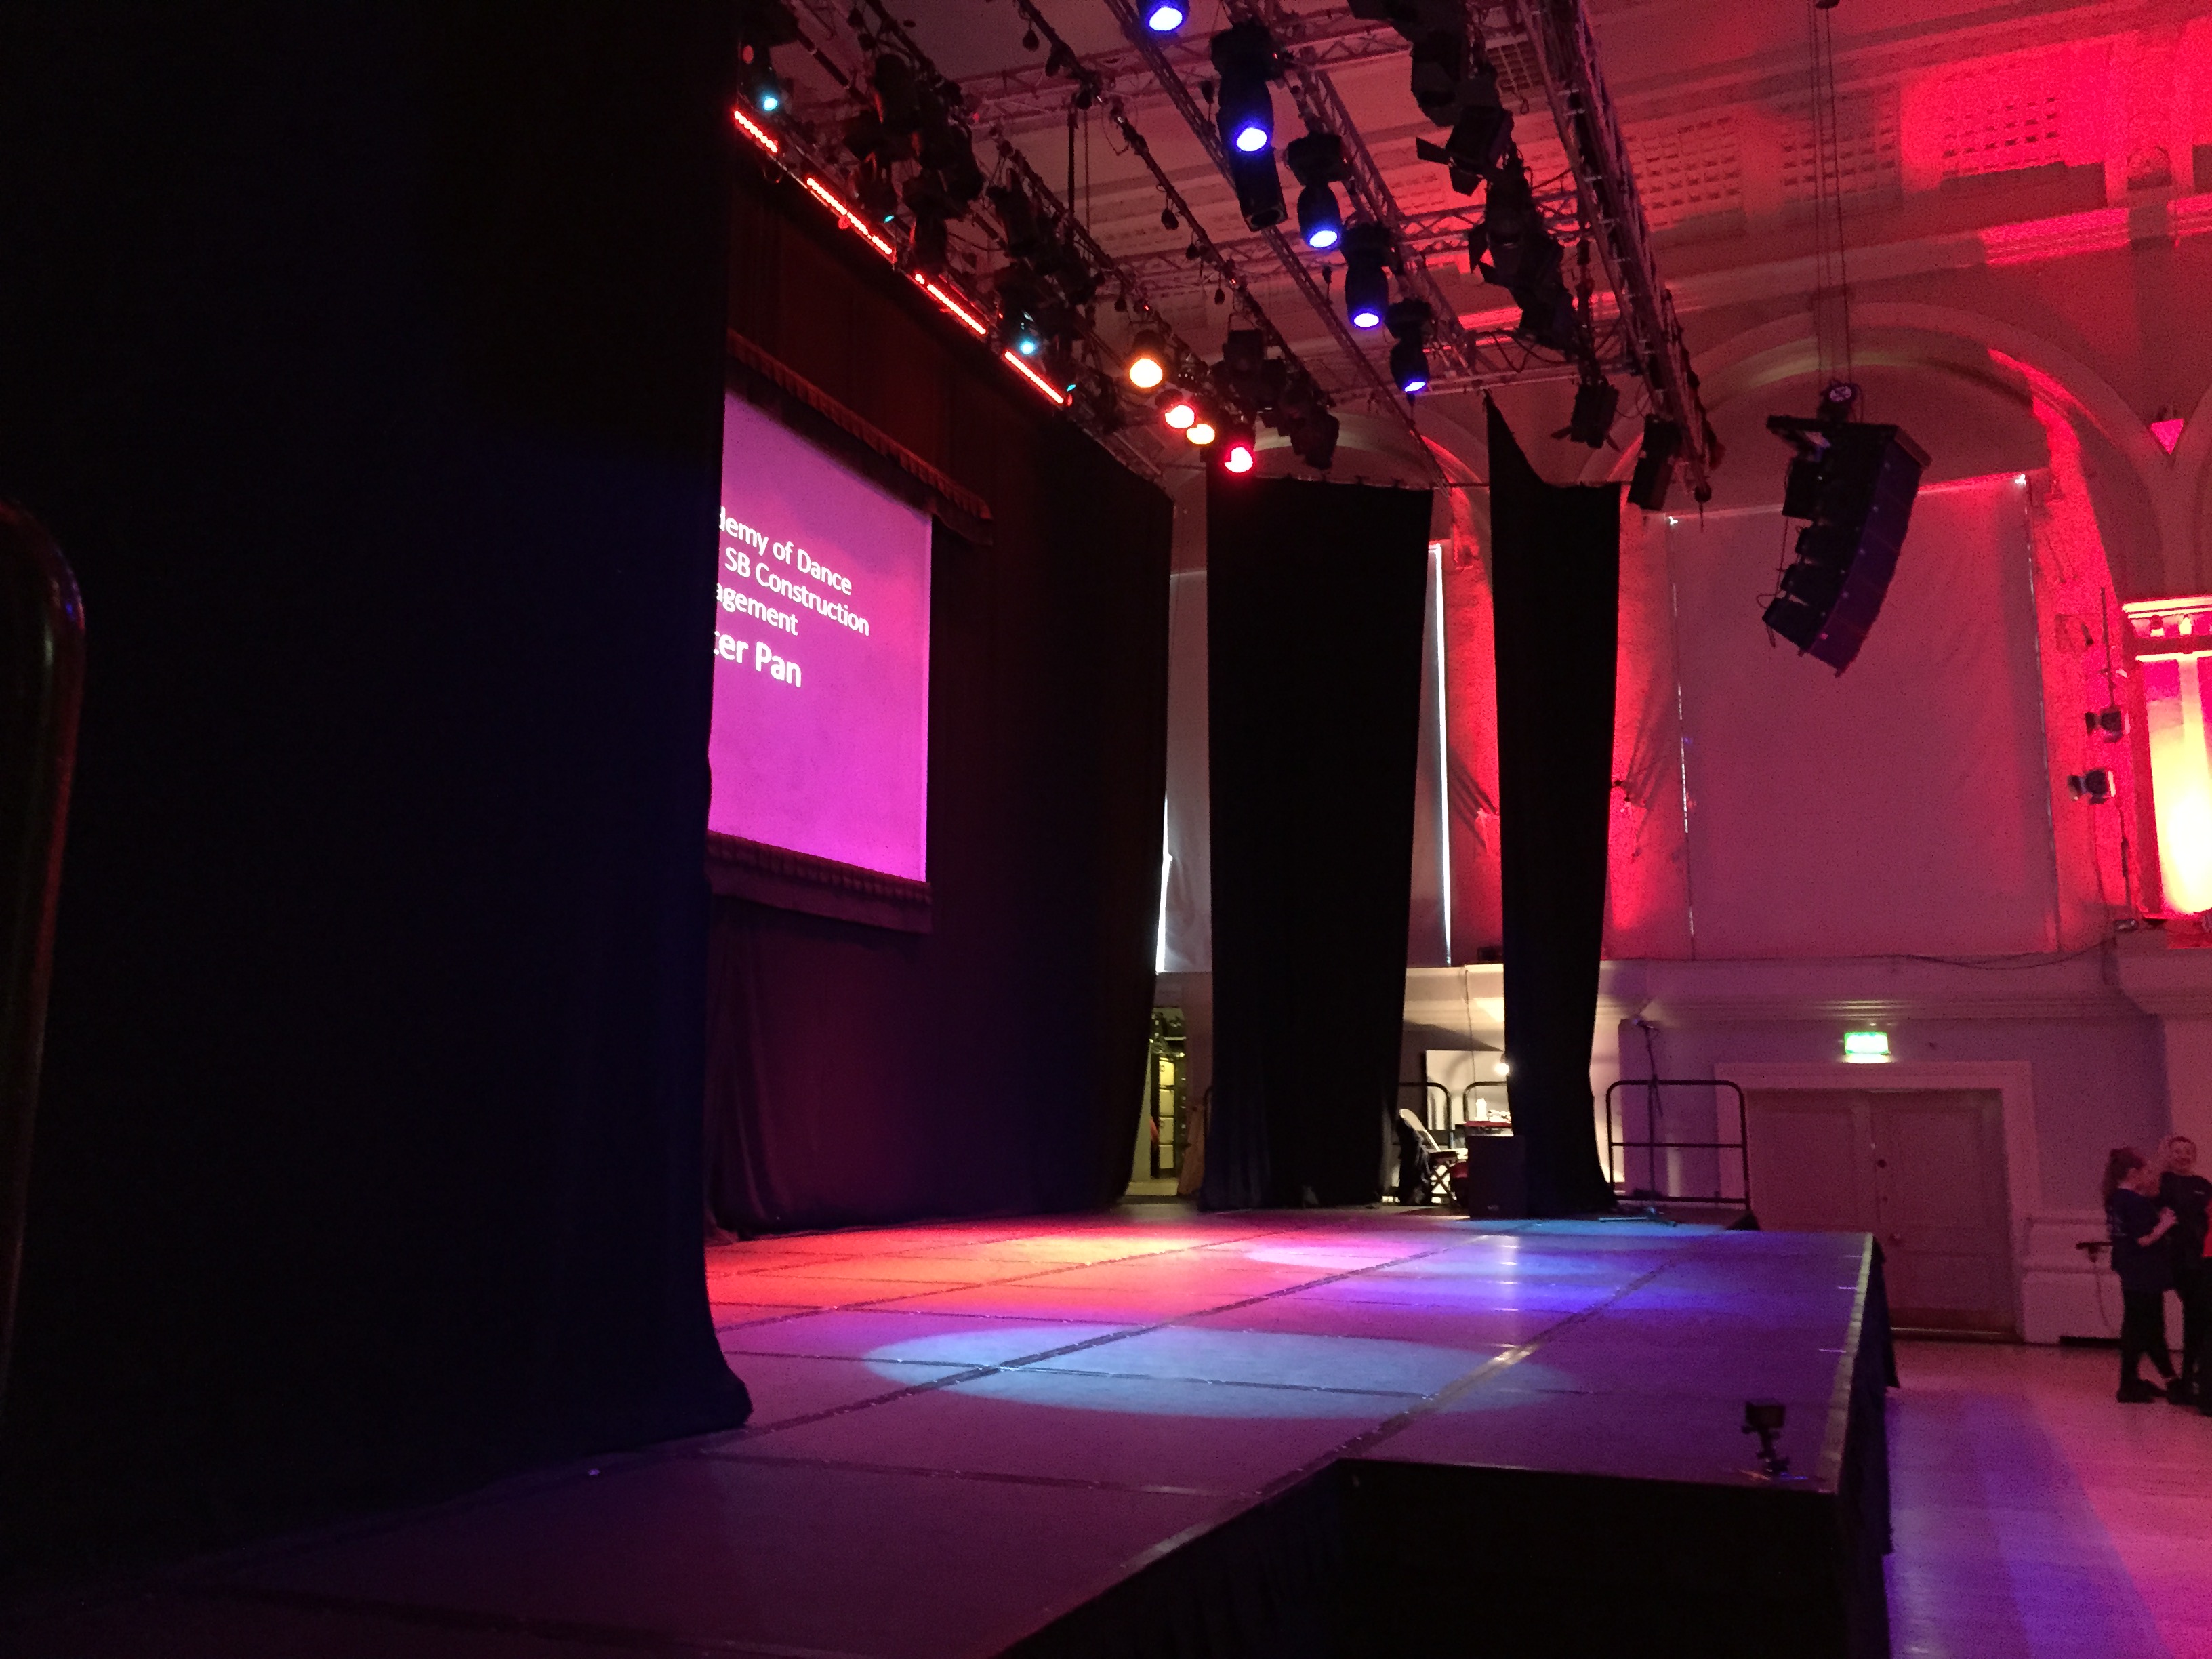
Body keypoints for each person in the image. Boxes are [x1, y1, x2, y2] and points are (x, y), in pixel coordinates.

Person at [2104, 1147, 2179, 1402]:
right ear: (2132, 1173)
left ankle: (2132, 1381)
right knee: (2148, 1325)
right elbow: (2143, 1239)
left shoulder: (2116, 1198)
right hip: (2144, 1270)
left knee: (2135, 1326)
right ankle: (2165, 1380)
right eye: (2145, 1171)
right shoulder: (2133, 1202)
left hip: (2130, 1268)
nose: (2149, 1175)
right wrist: (2164, 1225)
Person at [2161, 1136, 2211, 1405]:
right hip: (2179, 1262)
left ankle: (2194, 1376)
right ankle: (2189, 1377)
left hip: (2202, 1261)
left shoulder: (2203, 1186)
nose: (2182, 1156)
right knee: (2195, 1315)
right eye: (2177, 1151)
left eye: (2187, 1152)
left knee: (2199, 1318)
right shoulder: (2163, 1183)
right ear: (2169, 1155)